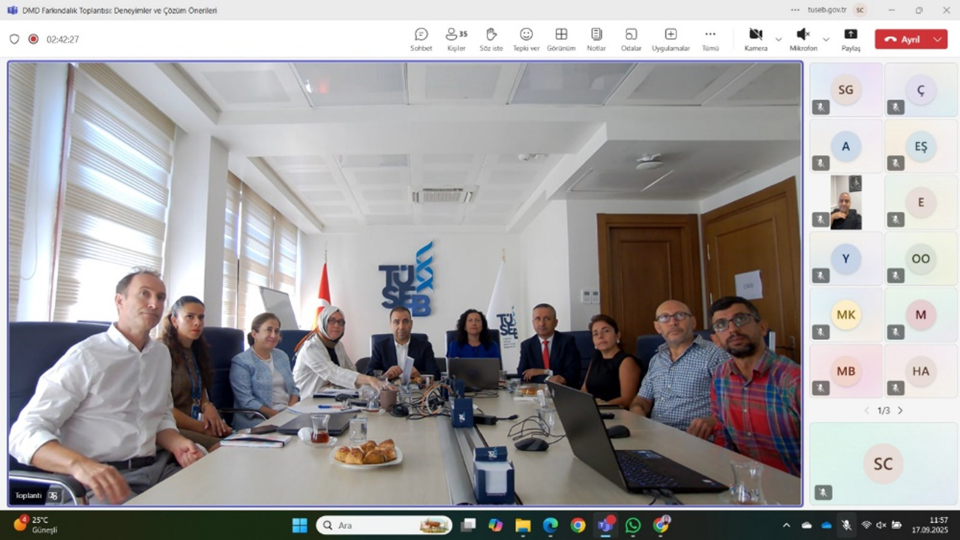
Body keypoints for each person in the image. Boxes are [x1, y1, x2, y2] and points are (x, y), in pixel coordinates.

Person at [9, 269, 204, 504]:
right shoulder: (86, 356)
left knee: (217, 494)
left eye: (161, 297)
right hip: (97, 482)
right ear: (119, 301)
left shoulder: (160, 355)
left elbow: (160, 414)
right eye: (144, 294)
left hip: (156, 469)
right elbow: (23, 434)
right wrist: (80, 466)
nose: (154, 304)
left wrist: (177, 443)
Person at [708, 296, 801, 476]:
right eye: (721, 325)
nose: (733, 329)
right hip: (743, 482)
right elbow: (722, 433)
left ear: (762, 327)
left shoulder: (795, 380)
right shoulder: (720, 376)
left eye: (741, 319)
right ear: (716, 340)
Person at [630, 300, 730, 437]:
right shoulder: (656, 360)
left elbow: (735, 403)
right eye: (664, 317)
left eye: (680, 315)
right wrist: (637, 412)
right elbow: (643, 399)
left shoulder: (715, 354)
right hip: (655, 436)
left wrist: (712, 422)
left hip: (694, 439)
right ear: (657, 327)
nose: (673, 322)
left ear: (693, 322)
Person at [159, 296, 232, 451]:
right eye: (190, 317)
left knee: (237, 440)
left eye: (201, 317)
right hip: (167, 428)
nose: (197, 322)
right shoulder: (161, 351)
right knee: (224, 448)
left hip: (192, 425)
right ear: (174, 321)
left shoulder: (196, 350)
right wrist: (202, 428)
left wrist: (207, 406)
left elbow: (199, 387)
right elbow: (162, 407)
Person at [293, 306, 389, 395]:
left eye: (340, 322)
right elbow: (332, 372)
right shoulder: (311, 347)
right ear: (323, 322)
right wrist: (369, 380)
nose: (336, 325)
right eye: (331, 321)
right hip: (308, 399)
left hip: (329, 395)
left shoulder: (338, 345)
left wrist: (375, 385)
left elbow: (351, 369)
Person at [229, 312, 300, 430]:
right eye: (269, 330)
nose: (274, 335)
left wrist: (290, 411)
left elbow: (293, 388)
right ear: (254, 334)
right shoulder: (242, 361)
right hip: (259, 419)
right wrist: (278, 417)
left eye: (277, 331)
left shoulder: (281, 356)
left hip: (287, 413)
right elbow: (246, 401)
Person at [581, 314, 641, 408]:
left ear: (617, 335)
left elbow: (627, 400)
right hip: (593, 410)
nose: (600, 336)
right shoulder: (596, 358)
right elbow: (584, 389)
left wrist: (597, 407)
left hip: (616, 413)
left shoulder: (627, 361)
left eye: (606, 331)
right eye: (595, 334)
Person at [367, 306, 441, 380]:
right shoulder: (380, 347)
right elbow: (368, 372)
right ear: (390, 325)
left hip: (415, 387)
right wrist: (385, 375)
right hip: (389, 387)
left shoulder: (424, 346)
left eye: (405, 321)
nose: (401, 327)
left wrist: (419, 375)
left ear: (411, 324)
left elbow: (436, 374)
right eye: (396, 322)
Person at [517, 303, 581, 387]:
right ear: (533, 322)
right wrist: (548, 378)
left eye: (547, 319)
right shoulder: (527, 345)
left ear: (555, 322)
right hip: (536, 392)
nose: (541, 323)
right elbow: (522, 374)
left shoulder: (567, 342)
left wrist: (543, 372)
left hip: (561, 391)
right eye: (537, 319)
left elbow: (573, 373)